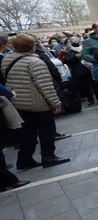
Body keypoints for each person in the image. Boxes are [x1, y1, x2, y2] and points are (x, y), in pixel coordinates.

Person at [1, 34, 70, 170]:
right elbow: (45, 85)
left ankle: (24, 160)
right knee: (47, 130)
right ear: (32, 46)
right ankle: (48, 156)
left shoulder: (6, 59)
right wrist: (55, 103)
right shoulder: (35, 62)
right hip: (37, 102)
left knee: (28, 133)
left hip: (18, 101)